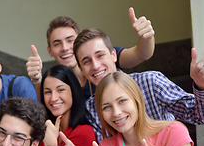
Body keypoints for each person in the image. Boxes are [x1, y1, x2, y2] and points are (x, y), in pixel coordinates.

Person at [71, 27, 204, 146]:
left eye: (100, 55)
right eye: (87, 61)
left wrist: (201, 85)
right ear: (81, 69)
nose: (95, 66)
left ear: (113, 55)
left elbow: (199, 116)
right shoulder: (91, 107)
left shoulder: (150, 82)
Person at [26, 8, 155, 101]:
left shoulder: (101, 57)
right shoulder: (56, 78)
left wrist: (147, 37)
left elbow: (140, 54)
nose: (65, 48)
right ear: (50, 51)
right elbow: (46, 106)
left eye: (70, 40)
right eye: (57, 44)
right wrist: (37, 81)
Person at [37, 64, 96, 146]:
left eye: (60, 90)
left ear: (73, 91)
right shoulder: (45, 130)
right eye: (48, 92)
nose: (53, 98)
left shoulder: (84, 133)